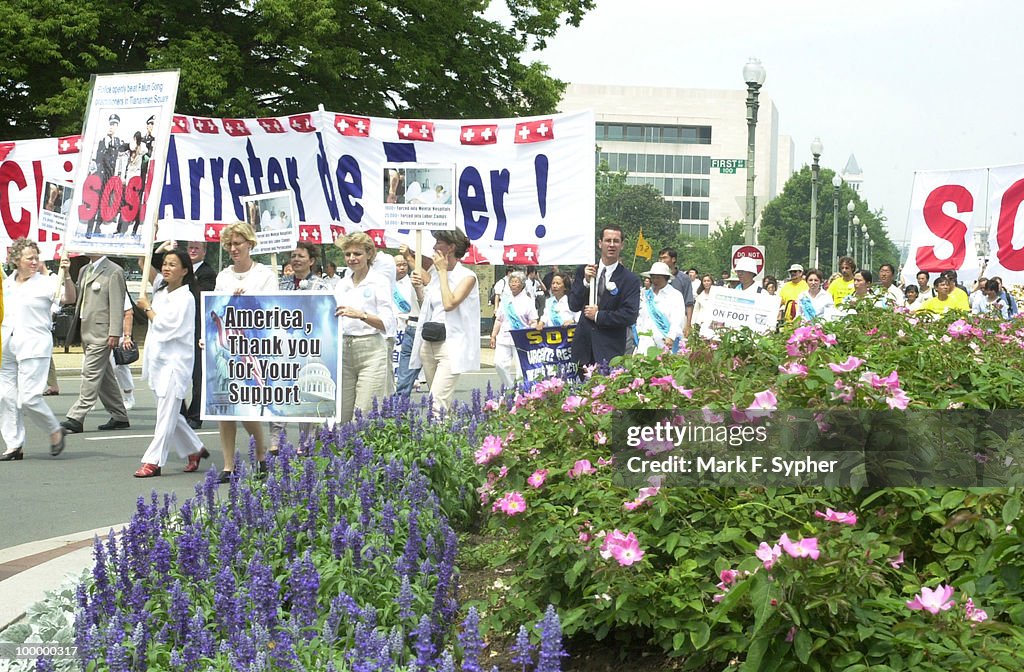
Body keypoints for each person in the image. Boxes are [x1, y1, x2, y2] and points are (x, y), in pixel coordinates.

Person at [131, 249, 207, 477]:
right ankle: (194, 449)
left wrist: (146, 308)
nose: (166, 268)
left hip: (175, 365)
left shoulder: (186, 298)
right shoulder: (161, 292)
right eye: (165, 263)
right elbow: (145, 263)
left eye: (173, 265)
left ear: (185, 271)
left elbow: (167, 327)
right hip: (157, 362)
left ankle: (153, 461)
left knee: (165, 416)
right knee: (171, 414)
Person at [213, 222, 276, 483]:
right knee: (225, 407)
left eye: (238, 243)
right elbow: (213, 309)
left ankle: (260, 455)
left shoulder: (265, 274)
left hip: (254, 346)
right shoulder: (223, 276)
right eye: (229, 244)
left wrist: (247, 298)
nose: (233, 248)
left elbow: (273, 307)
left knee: (247, 405)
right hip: (227, 346)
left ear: (250, 244)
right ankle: (229, 465)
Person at [1, 241, 75, 461]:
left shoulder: (46, 283)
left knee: (29, 398)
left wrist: (67, 274)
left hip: (34, 346)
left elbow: (69, 298)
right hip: (7, 345)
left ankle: (55, 430)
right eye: (29, 258)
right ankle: (14, 446)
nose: (34, 262)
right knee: (5, 397)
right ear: (16, 260)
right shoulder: (7, 285)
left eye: (36, 257)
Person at [268, 241, 332, 450]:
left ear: (311, 261)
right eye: (293, 256)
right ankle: (276, 442)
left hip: (310, 347)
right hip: (284, 347)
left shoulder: (322, 286)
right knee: (280, 391)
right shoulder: (280, 285)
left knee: (307, 395)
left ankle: (307, 443)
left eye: (300, 256)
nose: (295, 259)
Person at [409, 229, 480, 413]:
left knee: (437, 402)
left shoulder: (467, 276)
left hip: (450, 344)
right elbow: (429, 307)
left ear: (451, 247)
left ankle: (437, 439)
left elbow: (449, 304)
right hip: (429, 341)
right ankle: (446, 436)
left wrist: (441, 272)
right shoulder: (435, 274)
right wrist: (419, 287)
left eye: (438, 242)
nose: (434, 247)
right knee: (436, 399)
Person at [60, 254, 130, 434]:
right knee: (105, 377)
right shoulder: (85, 269)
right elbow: (76, 297)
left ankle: (76, 416)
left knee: (90, 373)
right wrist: (66, 273)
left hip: (102, 333)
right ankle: (120, 416)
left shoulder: (114, 271)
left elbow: (117, 303)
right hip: (86, 330)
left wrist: (115, 332)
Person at [333, 232, 395, 424]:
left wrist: (362, 315)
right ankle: (341, 452)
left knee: (364, 413)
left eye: (357, 254)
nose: (352, 258)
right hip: (343, 350)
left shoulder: (379, 281)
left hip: (371, 349)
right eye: (348, 254)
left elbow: (388, 322)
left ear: (369, 254)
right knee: (340, 414)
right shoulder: (341, 284)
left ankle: (362, 453)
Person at [568, 226, 641, 366]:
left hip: (610, 349)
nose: (612, 245)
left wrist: (598, 316)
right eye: (608, 240)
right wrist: (585, 282)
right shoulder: (584, 270)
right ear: (600, 243)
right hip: (583, 348)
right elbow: (573, 305)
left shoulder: (629, 279)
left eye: (616, 241)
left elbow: (629, 315)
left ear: (622, 245)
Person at [489, 271, 537, 389]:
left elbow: (533, 321)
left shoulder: (528, 301)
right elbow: (499, 319)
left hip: (520, 339)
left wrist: (531, 333)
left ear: (522, 284)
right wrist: (493, 335)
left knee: (521, 368)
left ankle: (520, 393)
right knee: (499, 363)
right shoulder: (505, 300)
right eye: (511, 281)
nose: (513, 284)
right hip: (504, 337)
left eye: (516, 282)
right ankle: (510, 387)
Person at [86, 114, 126, 238]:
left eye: (114, 125)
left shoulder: (119, 142)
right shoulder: (102, 142)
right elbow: (97, 159)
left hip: (111, 178)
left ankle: (98, 227)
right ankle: (89, 229)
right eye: (110, 124)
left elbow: (121, 160)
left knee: (105, 203)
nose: (111, 127)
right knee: (95, 203)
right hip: (101, 177)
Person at [635, 262, 685, 354]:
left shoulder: (675, 295)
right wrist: (639, 333)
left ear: (666, 278)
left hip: (665, 339)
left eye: (658, 277)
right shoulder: (646, 295)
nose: (655, 280)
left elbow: (678, 318)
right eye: (653, 277)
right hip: (645, 340)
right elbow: (641, 316)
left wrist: (671, 336)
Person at [394, 250, 422, 398]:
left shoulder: (414, 280)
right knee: (404, 368)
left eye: (404, 264)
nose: (402, 268)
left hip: (415, 326)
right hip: (399, 327)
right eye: (398, 265)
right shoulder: (387, 282)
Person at [657, 248, 695, 337]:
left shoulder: (684, 279)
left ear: (673, 259)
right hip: (660, 318)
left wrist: (688, 325)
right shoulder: (657, 277)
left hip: (678, 320)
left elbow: (689, 303)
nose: (662, 261)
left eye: (665, 258)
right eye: (660, 258)